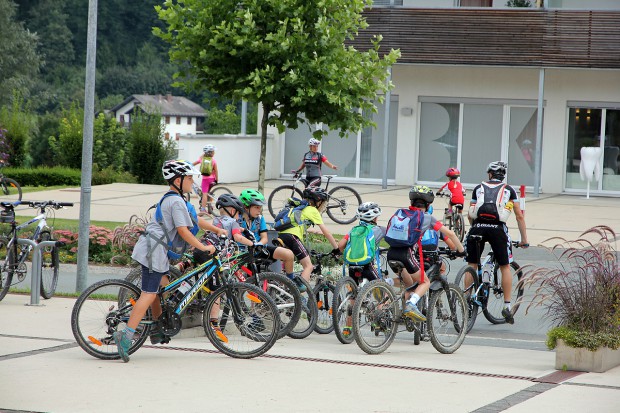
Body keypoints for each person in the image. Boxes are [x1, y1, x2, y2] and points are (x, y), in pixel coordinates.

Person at [113, 159, 226, 362]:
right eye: (189, 178)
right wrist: (203, 247)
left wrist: (217, 229)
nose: (192, 181)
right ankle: (125, 336)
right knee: (148, 294)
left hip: (156, 250)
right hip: (153, 251)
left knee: (160, 289)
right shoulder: (174, 201)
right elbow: (183, 230)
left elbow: (193, 219)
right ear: (177, 179)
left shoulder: (178, 200)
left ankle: (157, 328)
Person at [386, 185, 465, 322]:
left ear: (411, 202)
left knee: (409, 283)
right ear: (428, 205)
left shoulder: (401, 213)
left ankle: (385, 284)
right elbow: (450, 234)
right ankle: (411, 304)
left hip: (391, 253)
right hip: (406, 255)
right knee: (424, 282)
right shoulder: (427, 218)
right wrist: (461, 250)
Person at [466, 161, 529, 324]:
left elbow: (470, 214)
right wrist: (524, 240)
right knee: (505, 266)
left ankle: (465, 299)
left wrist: (477, 228)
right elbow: (519, 216)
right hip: (498, 230)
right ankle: (507, 306)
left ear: (489, 174)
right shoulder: (509, 190)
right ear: (503, 176)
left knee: (472, 264)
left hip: (477, 227)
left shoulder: (478, 188)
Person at [336, 201, 387, 337]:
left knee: (353, 296)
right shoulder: (379, 230)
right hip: (368, 266)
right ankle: (378, 321)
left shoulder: (352, 230)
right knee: (382, 289)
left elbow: (341, 245)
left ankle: (347, 327)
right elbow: (392, 240)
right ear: (375, 218)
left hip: (353, 266)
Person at [277, 186, 339, 292]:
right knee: (308, 266)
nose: (323, 205)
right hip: (292, 238)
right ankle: (297, 296)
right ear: (318, 201)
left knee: (287, 268)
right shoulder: (312, 210)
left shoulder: (298, 208)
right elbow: (326, 232)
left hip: (281, 236)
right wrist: (337, 249)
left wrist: (315, 231)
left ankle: (285, 291)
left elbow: (297, 225)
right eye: (323, 202)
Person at [237, 189, 296, 280]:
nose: (259, 210)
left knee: (288, 254)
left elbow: (264, 238)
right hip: (242, 253)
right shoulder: (237, 219)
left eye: (260, 207)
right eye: (256, 207)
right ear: (246, 206)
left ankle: (291, 283)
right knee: (252, 287)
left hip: (258, 249)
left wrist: (259, 244)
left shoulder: (260, 219)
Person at [192, 144, 219, 214]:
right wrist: (217, 179)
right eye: (213, 151)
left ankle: (203, 209)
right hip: (212, 179)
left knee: (204, 194)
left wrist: (188, 165)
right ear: (211, 153)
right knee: (208, 193)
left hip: (205, 180)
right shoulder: (213, 161)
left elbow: (194, 163)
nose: (214, 152)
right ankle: (210, 208)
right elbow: (216, 170)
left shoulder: (202, 159)